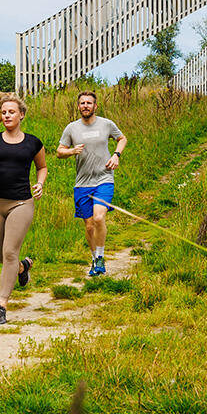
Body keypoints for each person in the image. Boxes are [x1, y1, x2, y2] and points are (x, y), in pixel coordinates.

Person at [0, 92, 47, 325]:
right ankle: (23, 266)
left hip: (21, 203)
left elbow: (42, 167)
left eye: (11, 112)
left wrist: (40, 183)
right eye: (4, 112)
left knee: (9, 253)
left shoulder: (33, 142)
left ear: (21, 115)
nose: (7, 115)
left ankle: (1, 306)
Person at [56, 91, 127, 276]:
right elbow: (59, 151)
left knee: (98, 218)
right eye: (82, 103)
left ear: (95, 106)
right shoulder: (71, 128)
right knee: (88, 225)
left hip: (104, 179)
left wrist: (116, 155)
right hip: (82, 183)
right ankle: (95, 258)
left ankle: (101, 258)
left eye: (89, 103)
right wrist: (71, 151)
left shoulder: (106, 124)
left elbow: (122, 138)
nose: (85, 105)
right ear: (78, 106)